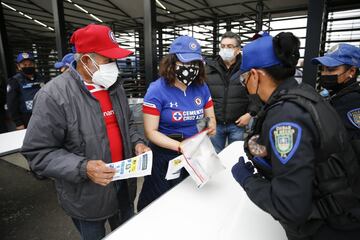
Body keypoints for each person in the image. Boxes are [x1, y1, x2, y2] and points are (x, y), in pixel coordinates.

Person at [21, 24, 149, 240]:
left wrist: (137, 143)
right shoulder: (54, 95)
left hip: (123, 185)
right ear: (86, 61)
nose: (114, 66)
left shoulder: (114, 87)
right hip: (86, 196)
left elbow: (126, 125)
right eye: (108, 60)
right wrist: (83, 168)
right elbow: (38, 153)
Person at [231, 32, 360, 240]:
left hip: (326, 228)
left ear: (255, 75)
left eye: (244, 79)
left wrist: (248, 181)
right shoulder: (305, 94)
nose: (244, 85)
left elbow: (290, 208)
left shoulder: (284, 116)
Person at [137, 35, 216, 211]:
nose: (191, 69)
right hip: (166, 156)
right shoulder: (157, 89)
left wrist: (207, 129)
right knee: (159, 204)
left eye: (195, 64)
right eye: (186, 63)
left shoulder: (201, 87)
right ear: (171, 63)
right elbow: (151, 131)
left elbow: (209, 117)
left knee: (191, 201)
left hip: (195, 153)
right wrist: (181, 146)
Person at [206, 31, 251, 153]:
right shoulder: (209, 68)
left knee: (235, 156)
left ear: (238, 49)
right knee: (214, 156)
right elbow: (203, 95)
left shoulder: (247, 69)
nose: (225, 49)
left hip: (237, 124)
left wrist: (250, 114)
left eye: (230, 46)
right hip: (215, 123)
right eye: (223, 46)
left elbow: (255, 95)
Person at [311, 44, 360, 141]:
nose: (324, 74)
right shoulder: (336, 95)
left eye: (331, 69)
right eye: (323, 69)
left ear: (351, 71)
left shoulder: (352, 102)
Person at [6, 52, 47, 130]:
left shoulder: (42, 78)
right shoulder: (14, 81)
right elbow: (11, 104)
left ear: (34, 65)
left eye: (30, 64)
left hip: (44, 116)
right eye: (24, 65)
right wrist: (18, 123)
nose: (28, 66)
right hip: (26, 119)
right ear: (18, 66)